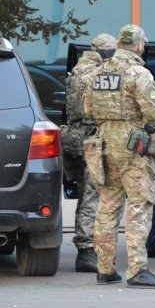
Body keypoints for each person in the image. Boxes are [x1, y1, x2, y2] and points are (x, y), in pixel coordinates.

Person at [83, 24, 155, 288]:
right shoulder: (138, 73)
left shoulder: (98, 72)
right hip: (133, 146)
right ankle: (137, 269)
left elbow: (88, 108)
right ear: (139, 45)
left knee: (107, 206)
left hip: (103, 144)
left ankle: (105, 268)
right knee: (139, 206)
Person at [62, 33, 116, 273]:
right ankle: (86, 250)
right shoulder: (96, 74)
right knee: (93, 196)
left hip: (76, 137)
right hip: (92, 139)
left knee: (86, 193)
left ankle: (87, 248)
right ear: (105, 52)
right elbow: (100, 110)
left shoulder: (77, 71)